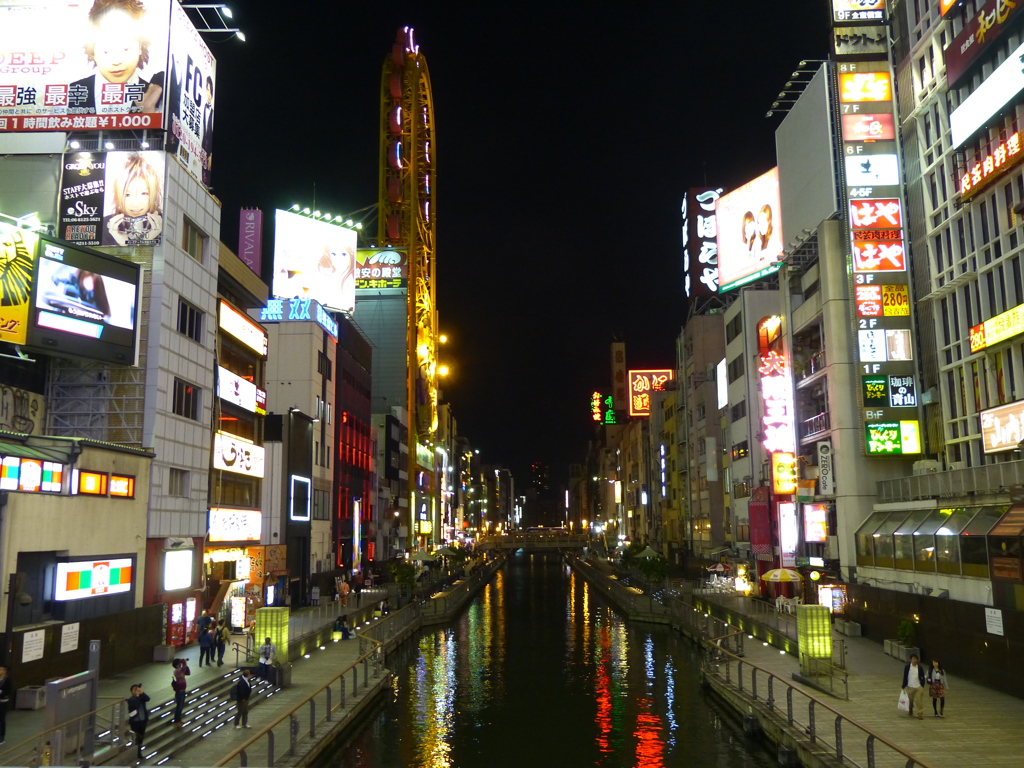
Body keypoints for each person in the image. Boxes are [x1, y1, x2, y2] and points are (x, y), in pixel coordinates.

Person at [70, 0, 163, 116]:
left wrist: (149, 112)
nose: (116, 61)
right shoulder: (71, 92)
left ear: (140, 47)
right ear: (92, 51)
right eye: (106, 51)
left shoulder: (155, 94)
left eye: (126, 49)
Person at [103, 152, 163, 246]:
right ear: (118, 195)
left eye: (144, 193)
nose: (135, 204)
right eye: (127, 194)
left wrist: (148, 238)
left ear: (153, 194)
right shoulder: (104, 226)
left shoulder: (164, 225)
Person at [126, 683, 150, 760]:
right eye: (134, 689)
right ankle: (136, 753)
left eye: (137, 689)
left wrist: (142, 692)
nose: (136, 691)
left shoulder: (141, 697)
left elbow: (148, 699)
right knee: (136, 738)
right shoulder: (131, 699)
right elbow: (135, 705)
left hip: (143, 721)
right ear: (131, 692)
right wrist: (137, 695)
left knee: (141, 737)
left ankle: (139, 752)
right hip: (135, 722)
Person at [902, 653, 926, 720]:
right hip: (910, 686)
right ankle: (910, 709)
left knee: (919, 701)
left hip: (918, 686)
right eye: (913, 659)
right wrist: (903, 685)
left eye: (915, 659)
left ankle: (920, 713)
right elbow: (905, 676)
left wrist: (922, 685)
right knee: (910, 700)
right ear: (910, 660)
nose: (914, 660)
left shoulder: (920, 668)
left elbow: (922, 677)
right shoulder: (907, 667)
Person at [170, 658, 190, 726]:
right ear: (177, 664)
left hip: (183, 691)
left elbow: (188, 672)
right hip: (179, 692)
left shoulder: (181, 671)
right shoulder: (176, 671)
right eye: (179, 663)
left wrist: (185, 664)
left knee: (181, 706)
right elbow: (183, 667)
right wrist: (183, 661)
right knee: (179, 706)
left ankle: (179, 720)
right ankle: (176, 721)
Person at [0, 665, 12, 745]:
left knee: (1, 719)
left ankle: (1, 737)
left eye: (1, 670)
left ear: (5, 671)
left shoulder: (7, 680)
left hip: (3, 702)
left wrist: (1, 693)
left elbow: (8, 691)